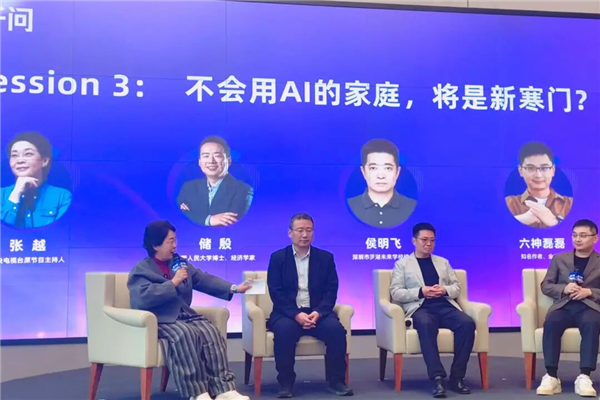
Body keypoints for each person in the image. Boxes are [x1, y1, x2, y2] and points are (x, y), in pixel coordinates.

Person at [128, 220, 253, 400]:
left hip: (184, 314)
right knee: (184, 334)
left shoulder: (179, 263)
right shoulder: (141, 270)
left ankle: (224, 389)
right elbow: (142, 298)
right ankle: (197, 392)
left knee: (210, 332)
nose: (175, 245)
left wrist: (234, 288)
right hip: (160, 318)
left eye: (175, 240)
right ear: (155, 245)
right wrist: (173, 283)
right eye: (170, 241)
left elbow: (203, 280)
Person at [267, 213, 353, 398]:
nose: (304, 235)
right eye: (300, 230)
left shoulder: (325, 258)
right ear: (290, 233)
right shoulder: (278, 258)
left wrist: (319, 313)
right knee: (284, 332)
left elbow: (331, 291)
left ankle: (337, 382)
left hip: (317, 313)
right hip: (287, 313)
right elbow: (276, 292)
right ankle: (286, 383)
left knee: (336, 331)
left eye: (309, 230)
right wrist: (296, 314)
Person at [390, 222, 476, 398]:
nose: (428, 244)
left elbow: (456, 287)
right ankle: (437, 378)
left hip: (444, 305)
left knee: (467, 323)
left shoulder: (443, 262)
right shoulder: (402, 264)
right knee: (426, 324)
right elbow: (396, 292)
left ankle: (457, 377)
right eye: (424, 240)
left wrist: (444, 290)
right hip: (420, 307)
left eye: (432, 240)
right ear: (414, 241)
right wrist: (421, 291)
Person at [537, 219, 600, 397]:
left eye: (583, 235)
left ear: (595, 238)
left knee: (592, 323)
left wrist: (589, 291)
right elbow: (546, 285)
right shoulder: (559, 259)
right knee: (551, 322)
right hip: (564, 305)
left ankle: (584, 376)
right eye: (574, 235)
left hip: (589, 306)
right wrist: (563, 288)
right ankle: (551, 376)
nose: (578, 239)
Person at [177, 136, 253, 227]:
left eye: (217, 156)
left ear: (229, 161)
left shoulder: (244, 190)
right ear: (200, 162)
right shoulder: (189, 188)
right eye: (206, 156)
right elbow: (178, 218)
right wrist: (209, 220)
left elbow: (230, 223)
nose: (211, 161)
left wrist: (192, 214)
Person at [0, 132, 71, 228]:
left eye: (28, 154)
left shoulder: (62, 197)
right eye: (14, 155)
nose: (20, 160)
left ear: (44, 161)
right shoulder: (1, 195)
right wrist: (15, 194)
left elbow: (60, 233)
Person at [347, 139, 416, 228]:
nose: (381, 176)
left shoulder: (411, 207)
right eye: (373, 168)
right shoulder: (350, 206)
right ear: (363, 172)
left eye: (388, 168)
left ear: (397, 172)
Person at [505, 142, 573, 228]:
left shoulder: (569, 204)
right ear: (521, 171)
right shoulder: (509, 203)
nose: (538, 175)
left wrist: (555, 221)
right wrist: (521, 219)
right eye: (530, 168)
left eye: (544, 168)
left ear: (553, 170)